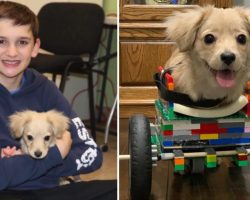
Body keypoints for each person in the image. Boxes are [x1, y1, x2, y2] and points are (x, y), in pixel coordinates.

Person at [0, 1, 116, 199]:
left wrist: (24, 166)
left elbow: (92, 154)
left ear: (35, 47)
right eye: (1, 41)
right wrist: (55, 154)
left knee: (117, 190)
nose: (12, 52)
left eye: (22, 42)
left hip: (50, 190)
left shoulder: (45, 89)